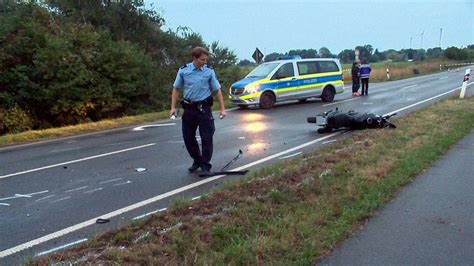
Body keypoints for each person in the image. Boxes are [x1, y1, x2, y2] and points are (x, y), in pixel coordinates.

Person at [169, 46, 226, 175]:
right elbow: (176, 89)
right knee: (188, 137)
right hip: (189, 109)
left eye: (206, 59)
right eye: (202, 59)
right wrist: (173, 107)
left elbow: (217, 90)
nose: (205, 62)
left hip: (204, 108)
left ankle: (205, 164)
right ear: (194, 58)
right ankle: (197, 160)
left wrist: (222, 109)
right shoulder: (184, 70)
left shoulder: (209, 72)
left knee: (207, 137)